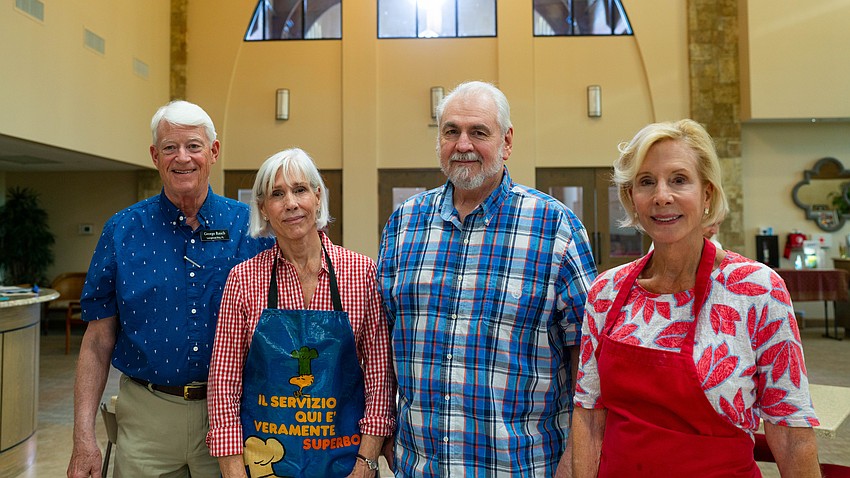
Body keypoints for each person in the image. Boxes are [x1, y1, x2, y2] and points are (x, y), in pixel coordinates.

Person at [571, 119, 820, 477]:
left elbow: (791, 432)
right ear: (631, 199)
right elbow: (589, 413)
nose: (661, 196)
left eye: (678, 180)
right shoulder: (606, 292)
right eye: (646, 182)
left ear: (707, 194)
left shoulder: (756, 289)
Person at [377, 81, 597, 477]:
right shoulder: (404, 224)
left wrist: (575, 462)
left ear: (506, 141)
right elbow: (384, 342)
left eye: (478, 132)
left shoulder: (555, 229)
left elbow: (588, 361)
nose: (463, 144)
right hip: (420, 467)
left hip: (522, 467)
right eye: (451, 131)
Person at [67, 100, 274, 478]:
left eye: (194, 146)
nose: (183, 158)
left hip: (232, 417)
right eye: (169, 147)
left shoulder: (252, 229)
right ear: (154, 155)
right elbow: (97, 340)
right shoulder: (122, 231)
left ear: (213, 151)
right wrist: (83, 438)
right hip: (147, 420)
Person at [206, 148, 396, 478]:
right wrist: (234, 471)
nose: (291, 203)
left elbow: (380, 380)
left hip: (346, 461)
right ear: (263, 209)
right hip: (265, 463)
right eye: (277, 194)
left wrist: (365, 463)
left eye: (300, 190)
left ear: (318, 197)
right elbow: (224, 384)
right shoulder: (243, 279)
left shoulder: (361, 272)